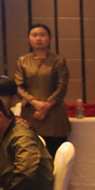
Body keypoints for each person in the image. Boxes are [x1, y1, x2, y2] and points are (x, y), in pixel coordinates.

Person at [13, 23, 71, 154]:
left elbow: (62, 86)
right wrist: (35, 103)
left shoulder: (58, 61)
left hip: (54, 113)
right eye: (34, 35)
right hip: (30, 113)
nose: (38, 38)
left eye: (42, 35)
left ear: (50, 39)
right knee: (29, 151)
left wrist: (46, 106)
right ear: (29, 39)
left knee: (55, 152)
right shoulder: (23, 61)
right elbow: (18, 86)